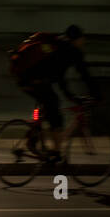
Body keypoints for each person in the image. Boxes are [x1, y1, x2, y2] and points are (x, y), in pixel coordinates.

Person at [13, 24, 100, 160]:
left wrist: (71, 96)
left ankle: (33, 139)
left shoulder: (59, 45)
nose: (84, 42)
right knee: (54, 109)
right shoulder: (72, 51)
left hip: (24, 78)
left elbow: (59, 76)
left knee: (48, 106)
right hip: (34, 80)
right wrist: (97, 94)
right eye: (83, 39)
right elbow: (84, 75)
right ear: (77, 39)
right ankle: (56, 152)